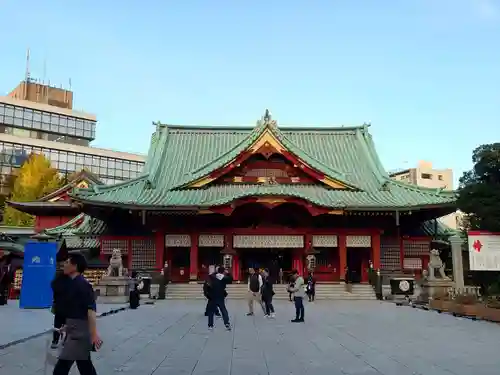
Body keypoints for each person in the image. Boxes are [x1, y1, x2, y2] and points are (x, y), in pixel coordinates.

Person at [52, 254, 102, 375]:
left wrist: (94, 334)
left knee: (62, 368)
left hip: (79, 333)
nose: (64, 265)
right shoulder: (72, 284)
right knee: (85, 366)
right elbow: (75, 310)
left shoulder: (83, 285)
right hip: (74, 329)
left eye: (67, 262)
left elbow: (91, 311)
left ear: (74, 266)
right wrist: (66, 326)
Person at [206, 266, 232, 330]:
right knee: (223, 310)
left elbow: (207, 285)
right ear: (223, 271)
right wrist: (228, 273)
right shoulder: (224, 278)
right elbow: (231, 279)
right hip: (220, 296)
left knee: (211, 312)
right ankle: (227, 323)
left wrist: (208, 295)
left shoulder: (212, 277)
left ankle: (210, 325)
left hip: (212, 296)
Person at [51, 268, 71, 348]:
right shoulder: (71, 282)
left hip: (59, 306)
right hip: (69, 306)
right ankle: (66, 340)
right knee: (68, 323)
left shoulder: (56, 282)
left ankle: (55, 341)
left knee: (57, 324)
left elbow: (53, 288)